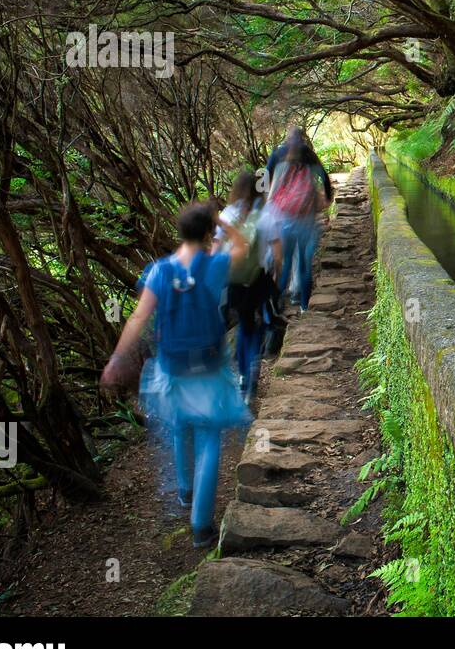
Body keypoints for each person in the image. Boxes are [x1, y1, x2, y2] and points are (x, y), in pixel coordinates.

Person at [101, 201, 253, 548]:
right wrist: (223, 224)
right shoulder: (214, 266)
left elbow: (138, 318)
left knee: (180, 423)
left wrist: (117, 358)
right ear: (207, 233)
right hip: (209, 363)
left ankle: (185, 491)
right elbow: (242, 246)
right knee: (209, 435)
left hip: (171, 364)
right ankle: (201, 526)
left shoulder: (158, 271)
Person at [216, 171, 273, 403]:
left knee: (242, 324)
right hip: (258, 277)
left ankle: (242, 375)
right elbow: (272, 250)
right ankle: (253, 363)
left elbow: (216, 245)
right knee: (255, 323)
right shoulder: (265, 214)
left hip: (233, 279)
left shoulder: (228, 214)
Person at [265, 132, 330, 313]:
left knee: (285, 263)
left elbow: (266, 179)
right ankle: (304, 305)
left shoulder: (278, 156)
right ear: (303, 140)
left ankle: (276, 305)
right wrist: (327, 197)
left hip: (285, 219)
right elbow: (324, 177)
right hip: (307, 220)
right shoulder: (308, 156)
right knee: (304, 263)